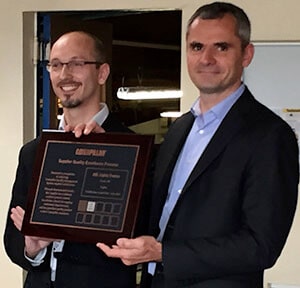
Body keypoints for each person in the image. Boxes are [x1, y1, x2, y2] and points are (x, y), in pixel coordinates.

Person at [96, 2, 299, 288]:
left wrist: (163, 253)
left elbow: (260, 245)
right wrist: (100, 149)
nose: (207, 58)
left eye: (221, 47)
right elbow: (150, 203)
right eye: (196, 47)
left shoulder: (270, 136)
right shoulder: (180, 128)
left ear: (247, 54)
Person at [4, 31, 137, 288]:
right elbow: (12, 240)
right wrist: (33, 248)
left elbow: (140, 234)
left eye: (76, 64)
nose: (64, 74)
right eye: (56, 65)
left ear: (102, 73)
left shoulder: (131, 150)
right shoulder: (33, 152)